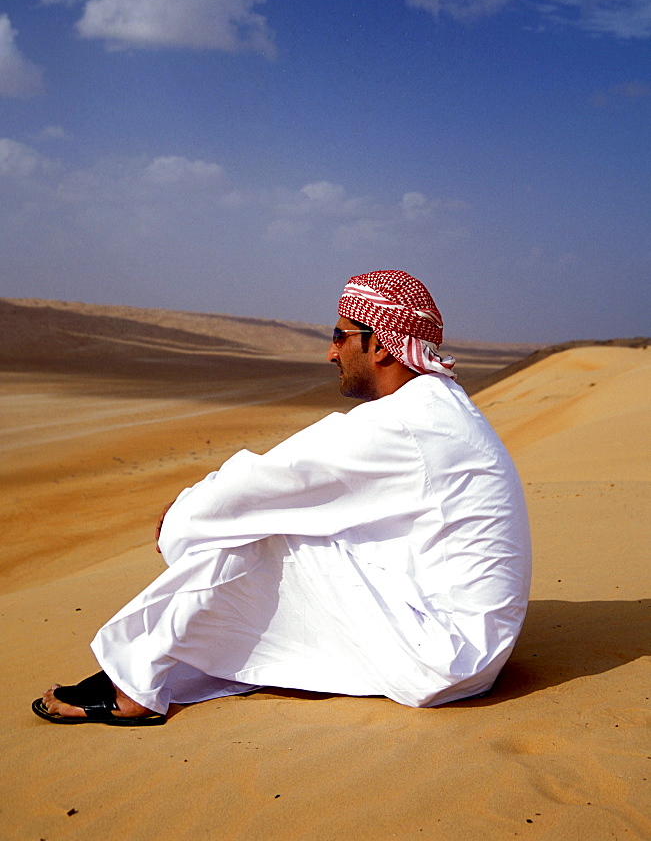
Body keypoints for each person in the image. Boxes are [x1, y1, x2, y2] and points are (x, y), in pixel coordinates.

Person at [33, 269, 531, 725]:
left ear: (381, 346)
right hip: (467, 645)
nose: (331, 353)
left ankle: (136, 686)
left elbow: (267, 480)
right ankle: (174, 664)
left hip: (444, 655)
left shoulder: (404, 424)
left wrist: (183, 517)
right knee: (279, 526)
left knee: (261, 532)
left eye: (341, 335)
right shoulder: (436, 409)